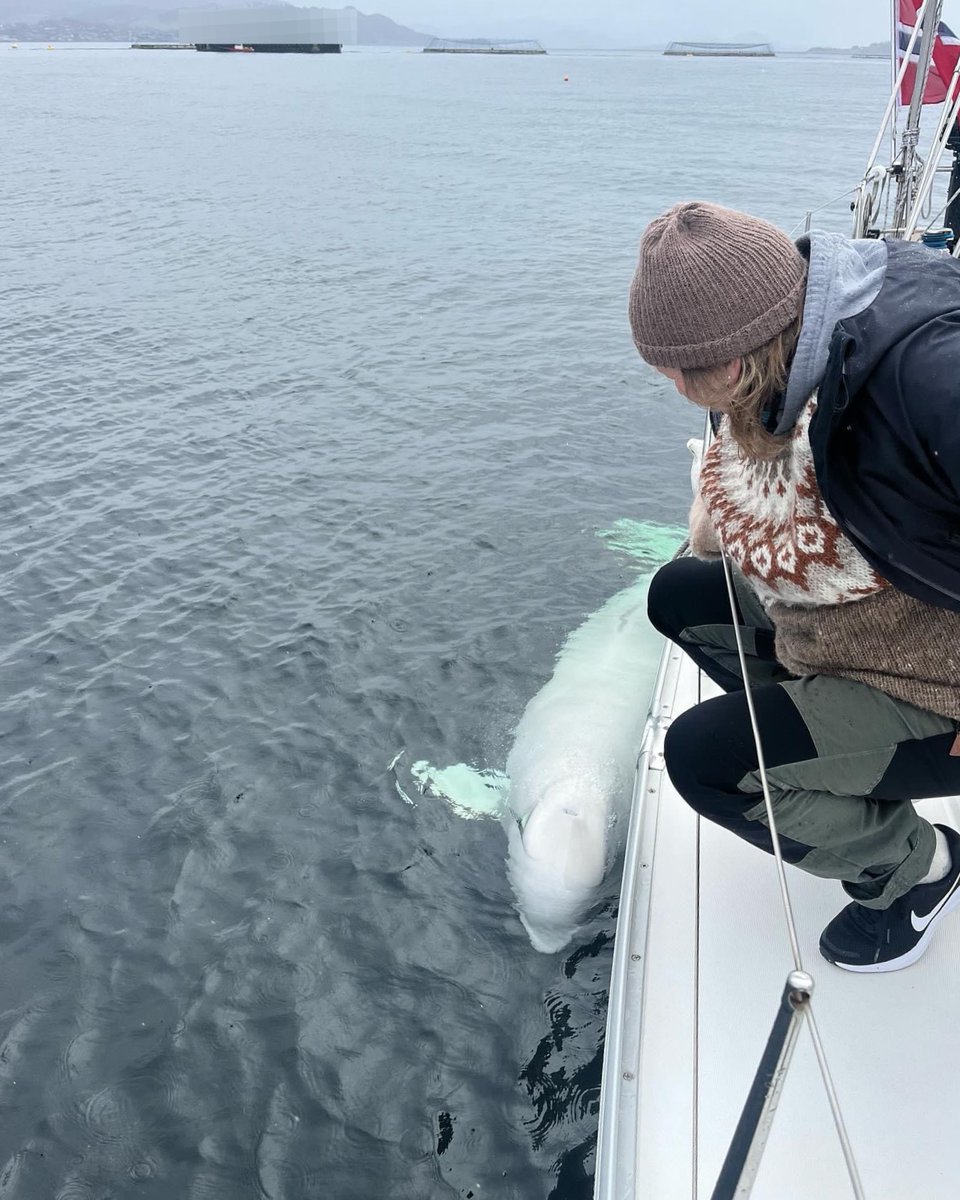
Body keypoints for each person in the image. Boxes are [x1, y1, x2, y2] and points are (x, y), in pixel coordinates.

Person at [629, 200, 960, 973]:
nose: (673, 386)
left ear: (733, 364)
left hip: (940, 679)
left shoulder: (929, 384)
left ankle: (915, 872)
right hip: (883, 626)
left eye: (676, 372)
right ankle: (830, 767)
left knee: (704, 761)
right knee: (679, 594)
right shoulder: (818, 329)